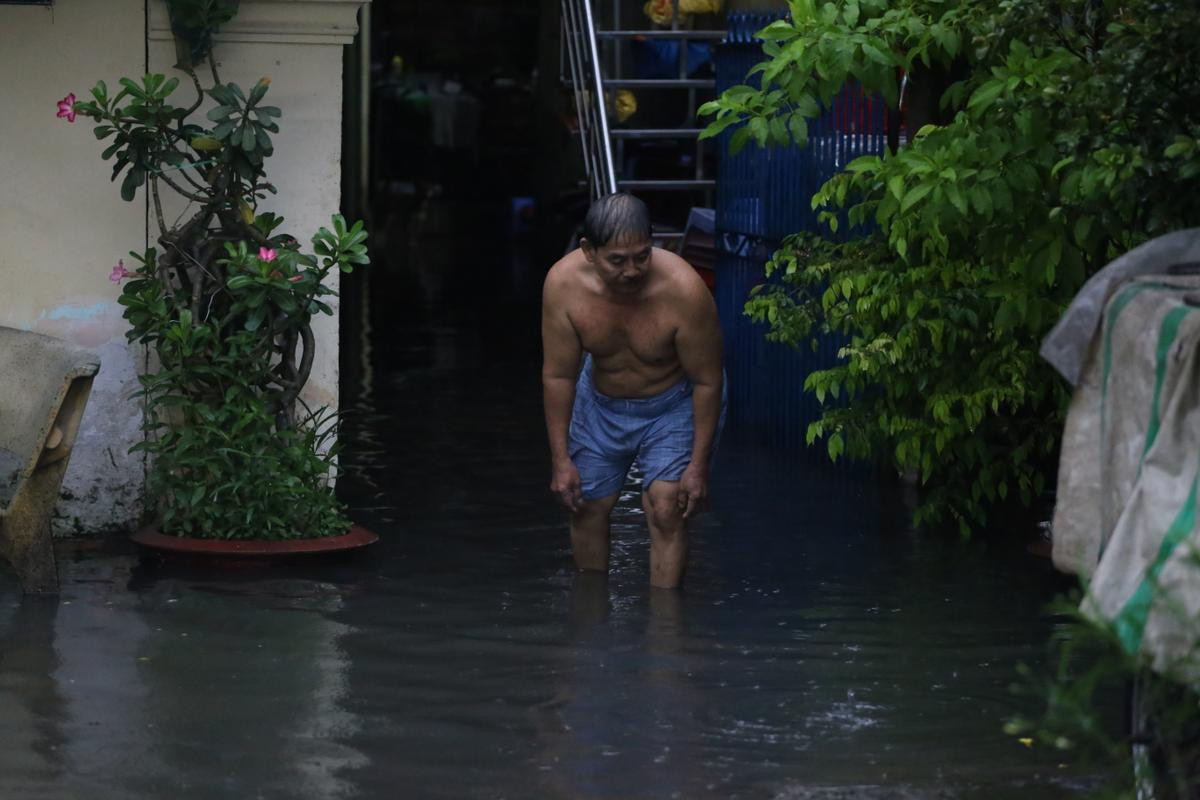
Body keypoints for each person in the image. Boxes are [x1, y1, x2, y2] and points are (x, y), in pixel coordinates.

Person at [541, 193, 725, 589]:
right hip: (600, 400)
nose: (632, 271)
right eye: (617, 260)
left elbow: (709, 381)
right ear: (589, 250)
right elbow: (558, 376)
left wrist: (698, 465)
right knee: (585, 504)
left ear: (653, 243)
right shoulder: (562, 284)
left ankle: (666, 631)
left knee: (666, 508)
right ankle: (589, 617)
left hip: (672, 402)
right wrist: (560, 460)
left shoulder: (684, 290)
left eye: (642, 256)